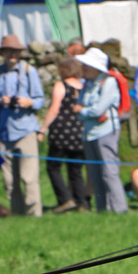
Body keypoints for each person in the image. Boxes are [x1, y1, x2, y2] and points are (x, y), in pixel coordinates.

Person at [0, 34, 46, 217]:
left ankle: (34, 215)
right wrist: (1, 102)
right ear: (2, 53)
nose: (12, 54)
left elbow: (40, 100)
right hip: (5, 131)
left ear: (19, 53)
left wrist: (29, 103)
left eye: (15, 51)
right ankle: (18, 216)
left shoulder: (29, 71)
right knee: (9, 181)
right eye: (8, 51)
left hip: (26, 129)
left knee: (29, 178)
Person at [76, 46, 127, 214]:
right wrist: (87, 112)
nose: (83, 67)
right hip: (89, 134)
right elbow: (86, 109)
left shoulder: (109, 82)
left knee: (109, 172)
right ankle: (102, 210)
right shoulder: (86, 85)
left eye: (86, 65)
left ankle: (119, 209)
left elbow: (96, 109)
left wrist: (83, 111)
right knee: (95, 174)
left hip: (106, 132)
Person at [40, 52, 90, 213]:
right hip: (78, 132)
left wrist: (43, 128)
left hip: (61, 132)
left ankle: (65, 199)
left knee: (53, 167)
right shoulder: (83, 86)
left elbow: (54, 109)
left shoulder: (61, 85)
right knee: (75, 170)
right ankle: (82, 202)